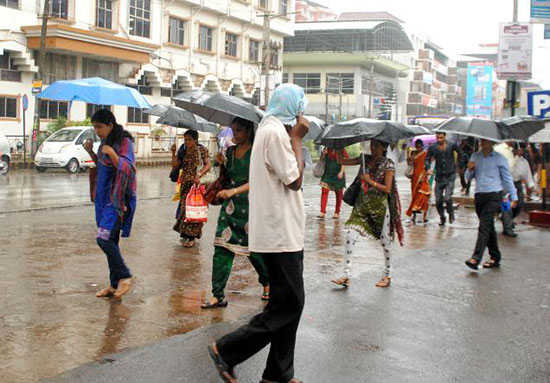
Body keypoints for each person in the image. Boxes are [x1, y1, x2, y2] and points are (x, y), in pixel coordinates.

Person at [208, 84, 309, 383]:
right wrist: (298, 140)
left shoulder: (268, 129)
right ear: (292, 107)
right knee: (290, 303)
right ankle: (227, 350)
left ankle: (278, 372)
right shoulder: (277, 132)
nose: (303, 113)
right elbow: (295, 181)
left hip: (282, 231)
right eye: (300, 106)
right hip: (280, 233)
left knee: (287, 302)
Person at [201, 117, 269, 309]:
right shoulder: (229, 151)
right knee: (221, 249)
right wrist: (221, 164)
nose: (235, 135)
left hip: (250, 207)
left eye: (239, 130)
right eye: (233, 131)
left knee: (254, 252)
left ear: (248, 130)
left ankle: (267, 282)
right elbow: (227, 177)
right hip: (229, 208)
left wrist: (234, 191)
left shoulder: (257, 153)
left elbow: (257, 180)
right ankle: (217, 295)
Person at [332, 139, 404, 289]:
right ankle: (346, 274)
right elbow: (341, 160)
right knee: (350, 236)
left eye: (376, 145)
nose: (372, 148)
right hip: (361, 206)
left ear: (384, 147)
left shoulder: (388, 164)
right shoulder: (364, 159)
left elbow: (387, 188)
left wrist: (371, 181)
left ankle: (388, 274)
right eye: (371, 145)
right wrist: (339, 147)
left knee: (385, 242)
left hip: (379, 209)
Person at [84, 109, 136, 298]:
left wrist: (112, 153)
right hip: (103, 199)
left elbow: (128, 169)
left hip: (117, 202)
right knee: (111, 240)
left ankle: (125, 276)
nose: (97, 131)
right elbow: (103, 165)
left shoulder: (124, 143)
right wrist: (90, 151)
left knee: (103, 239)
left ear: (110, 125)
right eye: (95, 127)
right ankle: (114, 285)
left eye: (99, 127)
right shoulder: (105, 143)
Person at [464, 139, 518, 271]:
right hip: (480, 195)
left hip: (494, 195)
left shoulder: (500, 159)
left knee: (484, 226)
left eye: (486, 141)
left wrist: (514, 196)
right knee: (488, 226)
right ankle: (495, 257)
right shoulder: (475, 156)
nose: (483, 143)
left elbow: (507, 178)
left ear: (492, 143)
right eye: (482, 140)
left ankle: (476, 258)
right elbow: (467, 177)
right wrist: (469, 169)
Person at [171, 130, 212, 248]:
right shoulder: (183, 150)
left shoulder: (201, 150)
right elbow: (175, 166)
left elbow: (208, 165)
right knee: (185, 209)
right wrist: (173, 153)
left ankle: (192, 237)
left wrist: (199, 175)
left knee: (196, 209)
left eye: (189, 139)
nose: (187, 142)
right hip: (185, 184)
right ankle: (186, 234)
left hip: (198, 185)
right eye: (185, 140)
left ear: (195, 140)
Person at [425, 132, 461, 226]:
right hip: (439, 177)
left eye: (441, 137)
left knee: (448, 198)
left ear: (445, 136)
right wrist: (428, 168)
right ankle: (442, 217)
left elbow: (461, 153)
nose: (439, 139)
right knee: (438, 200)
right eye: (437, 138)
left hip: (450, 176)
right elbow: (427, 158)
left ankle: (451, 213)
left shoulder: (452, 145)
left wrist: (458, 166)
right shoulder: (433, 147)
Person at [495, 141, 518, 237]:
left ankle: (507, 224)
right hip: (499, 182)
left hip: (507, 182)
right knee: (504, 204)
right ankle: (507, 226)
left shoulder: (510, 150)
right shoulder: (499, 150)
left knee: (506, 204)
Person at [406, 139, 431, 224]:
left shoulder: (425, 154)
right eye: (417, 147)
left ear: (422, 146)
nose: (418, 148)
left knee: (424, 197)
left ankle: (424, 216)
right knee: (414, 196)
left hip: (423, 178)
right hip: (414, 178)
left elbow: (428, 165)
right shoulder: (413, 153)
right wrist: (408, 156)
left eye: (420, 147)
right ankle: (414, 216)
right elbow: (410, 164)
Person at [319, 147, 348, 219]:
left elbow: (345, 161)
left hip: (338, 173)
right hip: (327, 173)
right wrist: (323, 155)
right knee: (324, 191)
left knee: (339, 193)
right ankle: (322, 212)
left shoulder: (341, 149)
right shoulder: (326, 149)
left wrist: (341, 172)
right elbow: (321, 161)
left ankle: (337, 212)